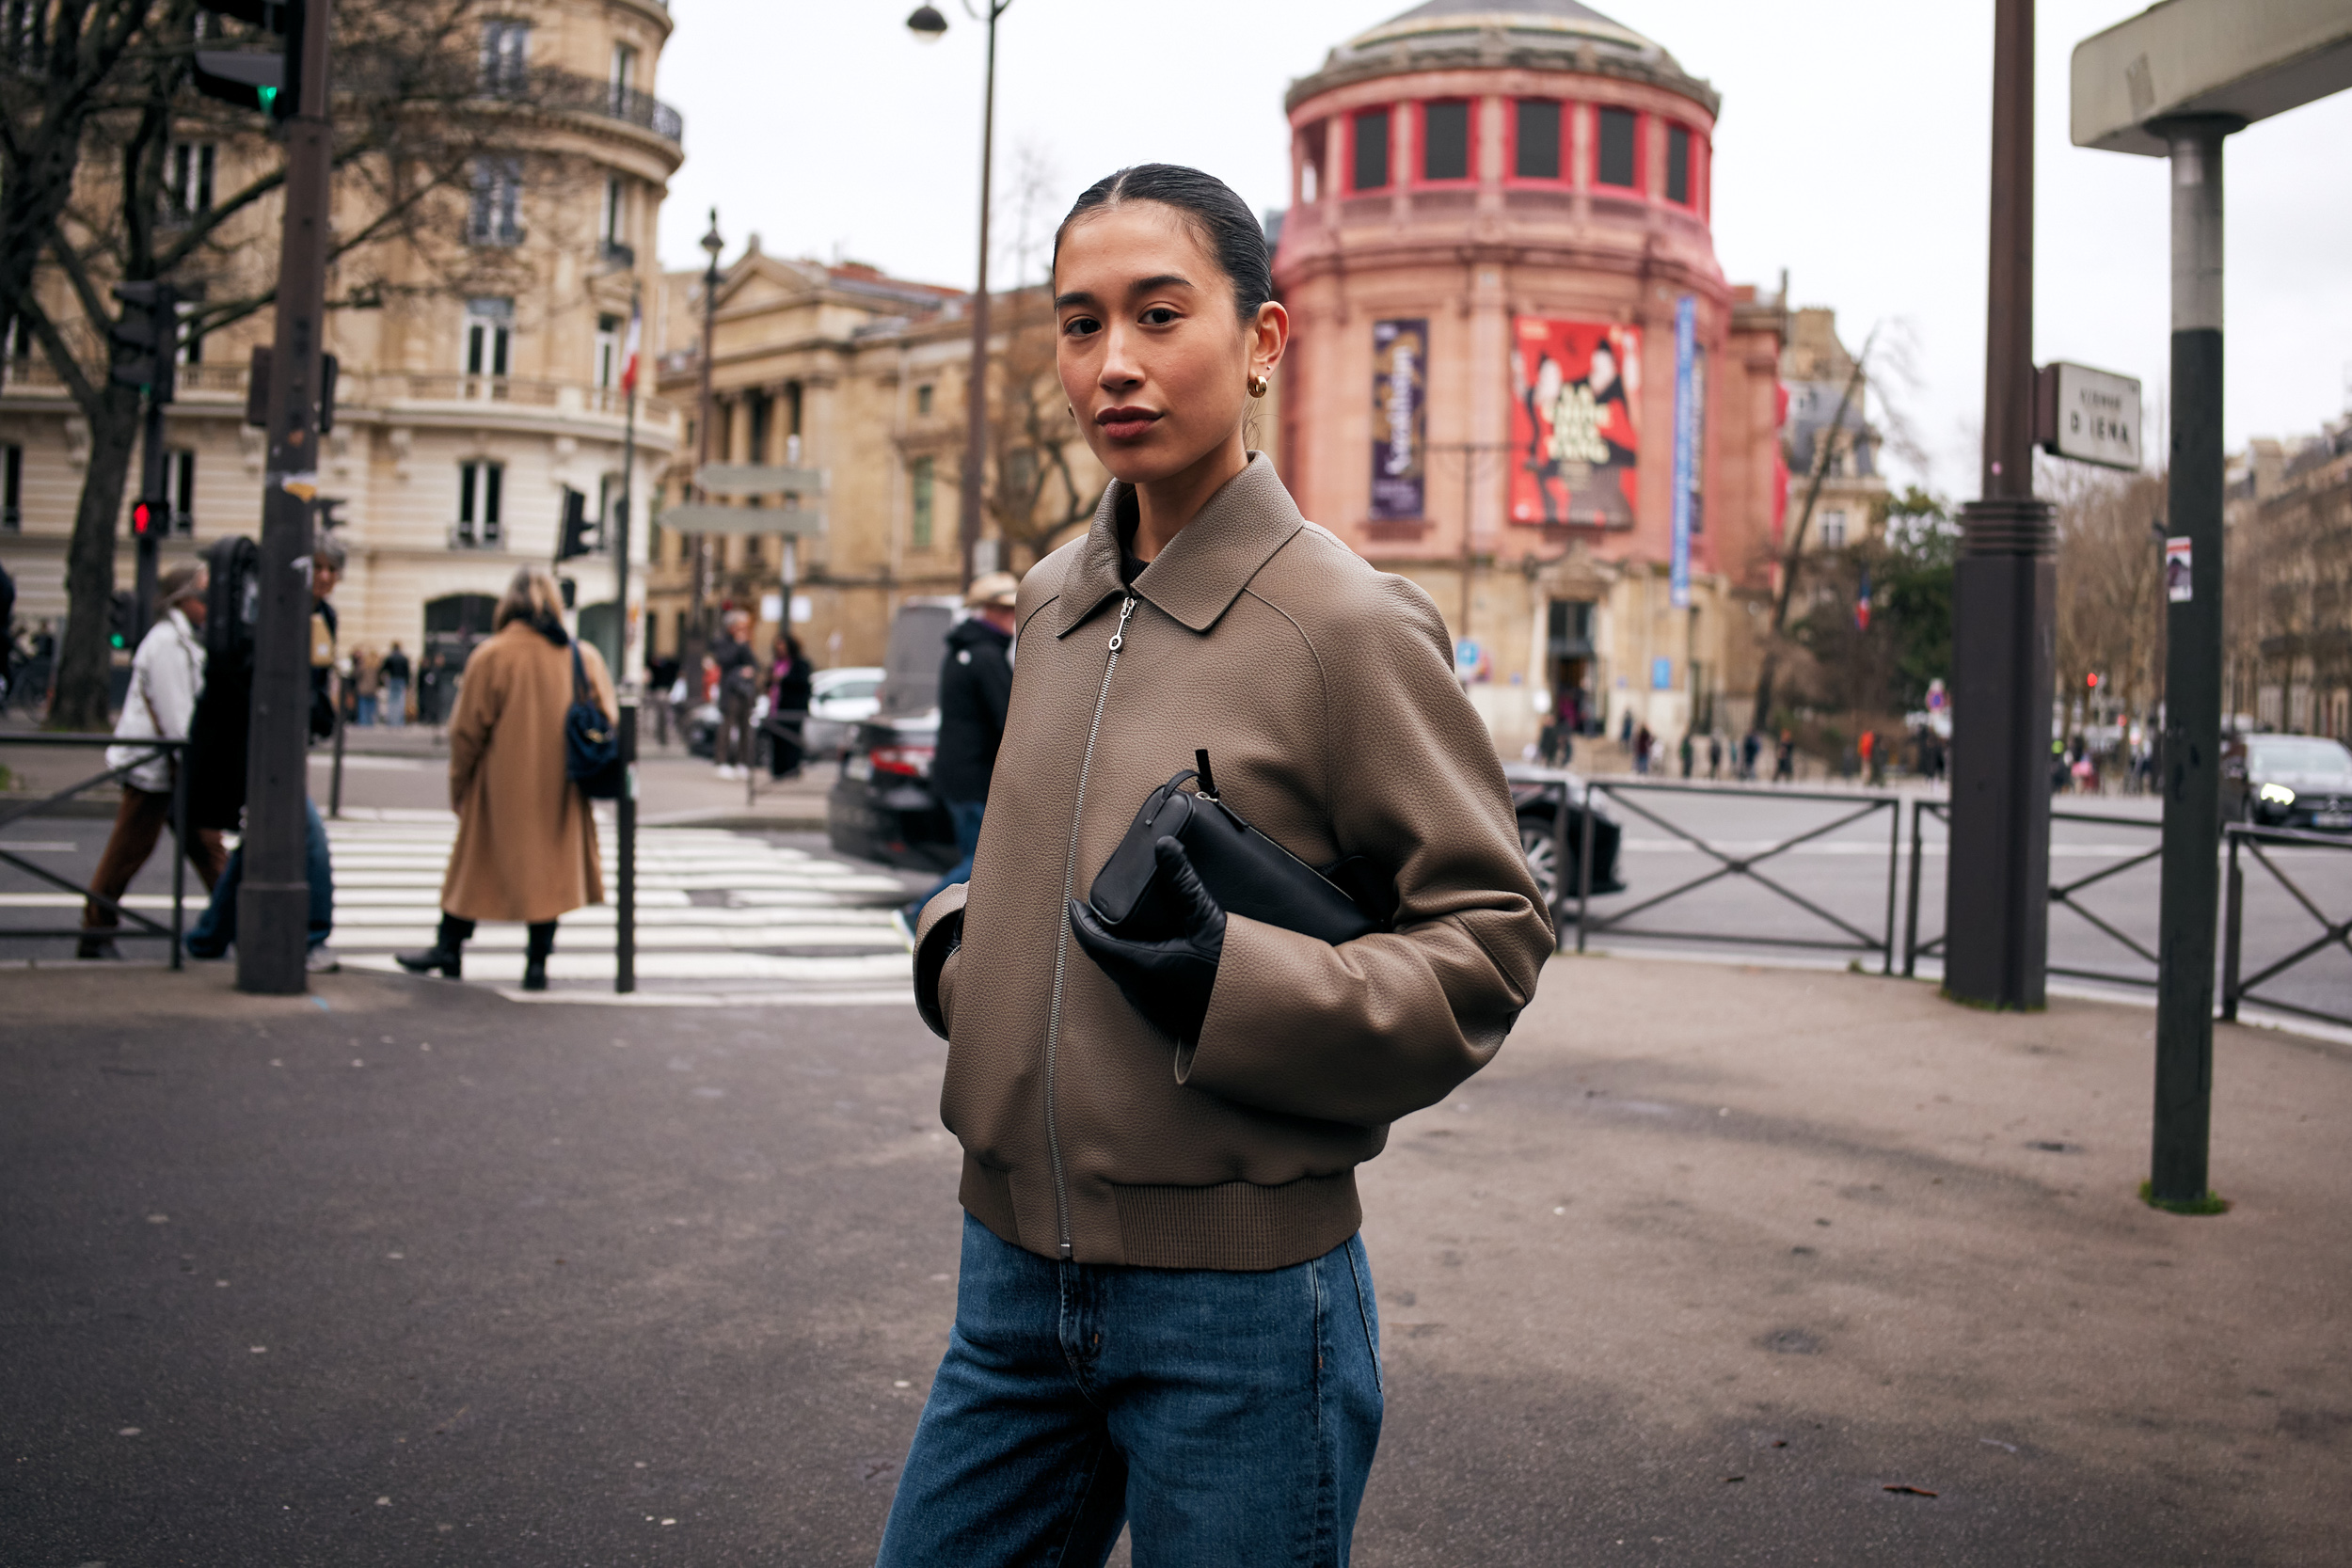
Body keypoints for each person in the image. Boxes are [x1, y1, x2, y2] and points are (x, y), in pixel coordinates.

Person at [887, 164, 1552, 1568]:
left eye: (1160, 313)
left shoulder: (1347, 621)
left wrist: (1228, 981)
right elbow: (1024, 843)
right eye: (1080, 324)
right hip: (1007, 1278)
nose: (1113, 363)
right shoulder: (1051, 598)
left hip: (1239, 1310)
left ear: (1262, 340)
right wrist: (963, 943)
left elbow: (1492, 933)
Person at [395, 568, 614, 992]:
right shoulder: (580, 656)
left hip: (500, 785)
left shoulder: (492, 654)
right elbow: (608, 717)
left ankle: (450, 946)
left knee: (472, 865)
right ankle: (536, 964)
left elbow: (465, 732)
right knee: (548, 876)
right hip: (562, 785)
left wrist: (458, 787)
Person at [184, 533, 343, 970]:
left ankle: (207, 937)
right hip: (257, 746)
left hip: (282, 745)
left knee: (261, 841)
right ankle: (311, 936)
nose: (326, 577)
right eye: (319, 567)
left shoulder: (322, 616)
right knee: (308, 837)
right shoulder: (276, 611)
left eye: (332, 569)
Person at [78, 563, 228, 958]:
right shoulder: (166, 644)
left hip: (170, 768)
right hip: (155, 769)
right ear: (184, 600)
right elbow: (175, 717)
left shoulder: (184, 641)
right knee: (130, 854)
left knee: (208, 851)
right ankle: (95, 932)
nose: (211, 605)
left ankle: (239, 927)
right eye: (204, 597)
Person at [895, 572, 1018, 944]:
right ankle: (917, 915)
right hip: (975, 777)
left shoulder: (961, 650)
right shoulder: (986, 657)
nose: (1014, 620)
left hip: (956, 774)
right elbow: (1008, 719)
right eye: (1009, 611)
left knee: (975, 859)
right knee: (980, 862)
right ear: (993, 612)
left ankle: (963, 931)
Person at [709, 610, 757, 779]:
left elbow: (753, 663)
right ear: (731, 627)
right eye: (739, 626)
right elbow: (725, 660)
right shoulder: (723, 642)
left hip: (745, 690)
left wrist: (744, 649)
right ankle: (722, 762)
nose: (742, 629)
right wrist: (738, 645)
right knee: (726, 727)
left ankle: (742, 762)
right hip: (730, 691)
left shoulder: (745, 643)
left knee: (746, 727)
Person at [763, 631, 815, 779]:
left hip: (793, 709)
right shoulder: (776, 664)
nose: (780, 649)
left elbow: (802, 684)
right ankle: (778, 770)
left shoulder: (800, 664)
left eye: (783, 646)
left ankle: (791, 769)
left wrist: (782, 679)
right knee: (777, 740)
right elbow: (769, 684)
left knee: (791, 740)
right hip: (776, 707)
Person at [381, 641, 410, 728]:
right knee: (400, 702)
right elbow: (407, 672)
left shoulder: (390, 658)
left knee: (391, 702)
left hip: (392, 680)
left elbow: (383, 669)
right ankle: (399, 722)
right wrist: (407, 683)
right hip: (401, 681)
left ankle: (391, 721)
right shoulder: (404, 658)